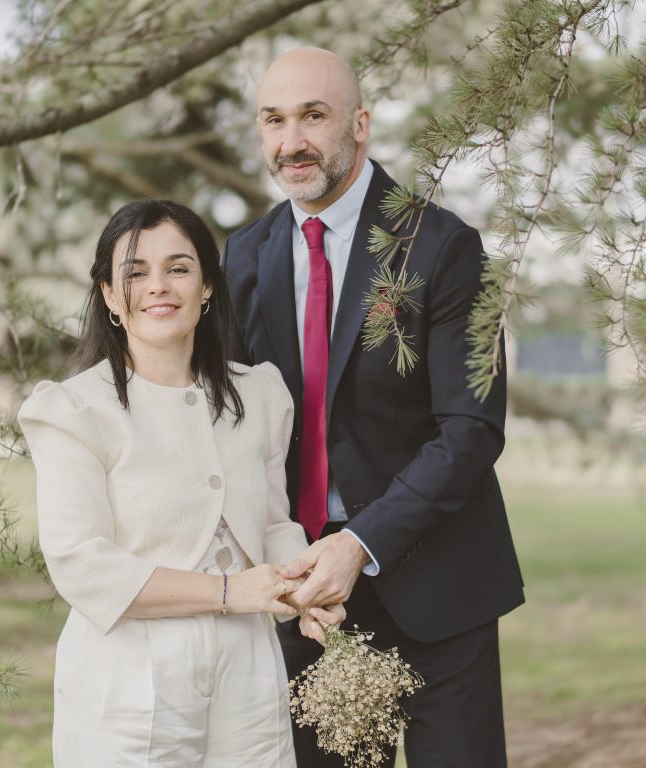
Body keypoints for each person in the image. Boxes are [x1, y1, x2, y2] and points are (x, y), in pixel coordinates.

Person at [223, 48, 524, 768]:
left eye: (313, 117)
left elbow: (470, 431)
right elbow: (236, 426)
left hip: (439, 589)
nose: (291, 141)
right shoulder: (244, 256)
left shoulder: (446, 248)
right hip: (308, 603)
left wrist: (359, 545)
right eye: (274, 120)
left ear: (359, 125)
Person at [18, 199, 343, 767]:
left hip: (248, 668)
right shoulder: (72, 409)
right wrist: (227, 593)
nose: (158, 287)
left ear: (208, 286)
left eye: (178, 268)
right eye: (135, 272)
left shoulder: (261, 394)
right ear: (109, 295)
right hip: (127, 674)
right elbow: (80, 561)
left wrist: (303, 591)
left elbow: (270, 524)